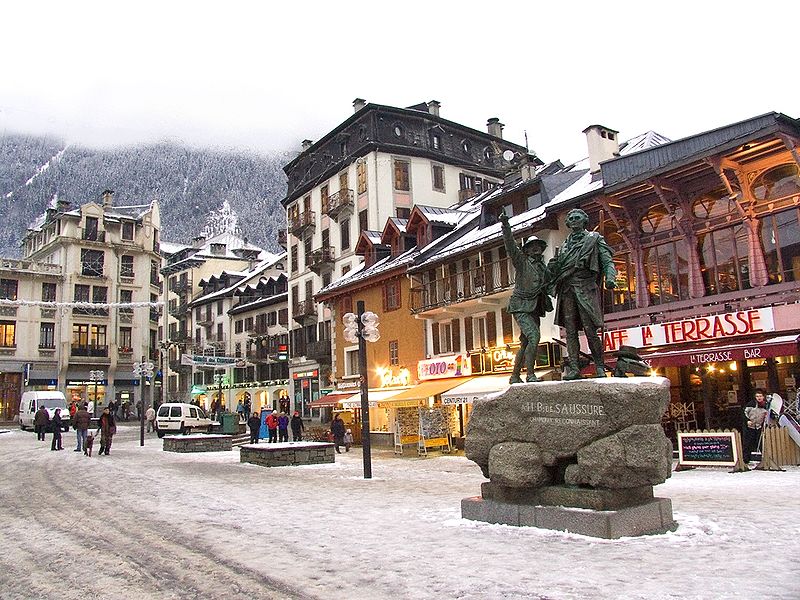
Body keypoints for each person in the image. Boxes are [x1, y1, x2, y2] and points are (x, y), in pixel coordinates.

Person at [547, 208, 617, 379]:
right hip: (567, 290)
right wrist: (554, 266)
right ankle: (574, 368)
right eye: (571, 218)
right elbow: (557, 270)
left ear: (585, 221)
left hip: (585, 287)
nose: (574, 220)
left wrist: (610, 277)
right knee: (570, 331)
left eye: (578, 217)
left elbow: (607, 260)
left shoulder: (594, 240)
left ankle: (599, 366)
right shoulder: (563, 246)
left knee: (590, 329)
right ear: (568, 223)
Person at [500, 211, 553, 383]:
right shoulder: (522, 263)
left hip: (535, 308)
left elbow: (550, 285)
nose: (536, 248)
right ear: (527, 250)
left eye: (538, 246)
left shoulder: (544, 268)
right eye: (532, 246)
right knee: (534, 337)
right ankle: (530, 374)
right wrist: (506, 226)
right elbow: (510, 245)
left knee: (525, 342)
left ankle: (515, 375)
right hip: (521, 306)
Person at [743, 389, 769, 463]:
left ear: (763, 397)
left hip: (759, 426)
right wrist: (747, 420)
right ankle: (746, 459)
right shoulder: (751, 404)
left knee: (760, 443)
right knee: (748, 443)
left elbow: (768, 416)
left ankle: (764, 459)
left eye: (760, 396)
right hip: (750, 426)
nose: (759, 398)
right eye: (757, 396)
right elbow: (744, 413)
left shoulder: (766, 405)